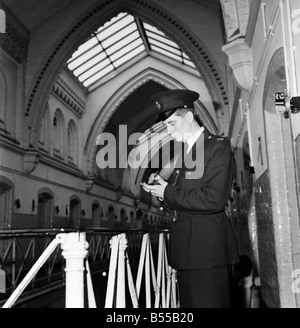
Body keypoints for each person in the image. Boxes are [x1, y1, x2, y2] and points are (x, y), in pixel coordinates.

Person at [141, 89, 239, 308]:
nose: (168, 131)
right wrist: (161, 191)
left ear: (188, 116)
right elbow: (182, 198)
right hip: (187, 252)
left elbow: (214, 199)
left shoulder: (217, 147)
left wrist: (168, 192)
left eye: (172, 124)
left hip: (206, 252)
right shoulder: (185, 154)